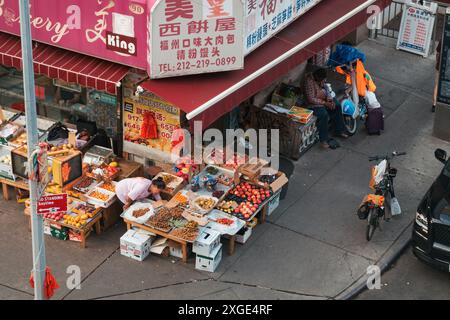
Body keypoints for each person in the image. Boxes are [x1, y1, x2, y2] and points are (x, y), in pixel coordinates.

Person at [304, 68, 348, 149]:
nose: (323, 81)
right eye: (322, 79)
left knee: (337, 105)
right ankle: (323, 139)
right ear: (317, 77)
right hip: (313, 104)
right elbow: (311, 99)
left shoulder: (321, 79)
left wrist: (329, 99)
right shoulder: (309, 82)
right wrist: (325, 103)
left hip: (323, 98)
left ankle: (339, 130)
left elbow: (326, 87)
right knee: (323, 115)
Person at [432, 41, 441, 113]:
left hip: (440, 66)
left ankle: (434, 104)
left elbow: (437, 53)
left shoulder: (443, 38)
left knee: (436, 85)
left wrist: (437, 63)